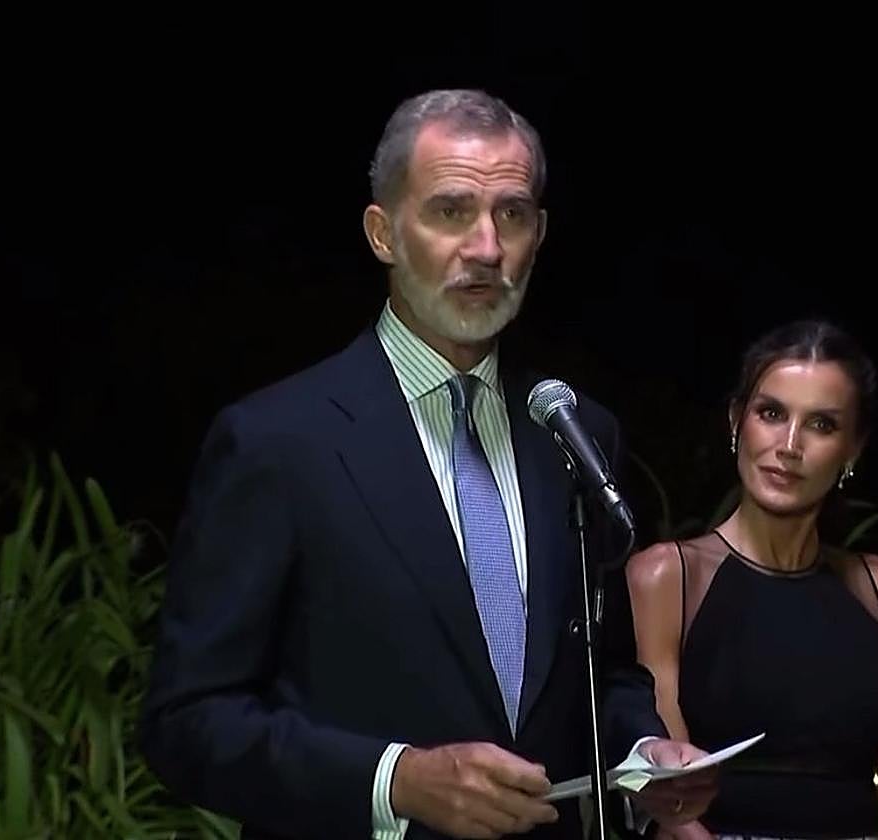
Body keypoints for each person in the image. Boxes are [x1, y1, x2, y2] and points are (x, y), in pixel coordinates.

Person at [138, 88, 716, 839]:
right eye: (451, 211)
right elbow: (187, 721)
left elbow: (602, 671)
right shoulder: (276, 442)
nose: (487, 248)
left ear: (539, 235)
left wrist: (644, 752)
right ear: (383, 233)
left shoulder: (573, 430)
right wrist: (395, 781)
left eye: (512, 215)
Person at [626, 319, 878, 839]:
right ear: (736, 422)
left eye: (821, 425)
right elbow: (671, 799)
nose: (789, 444)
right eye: (771, 414)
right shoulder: (667, 578)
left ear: (853, 450)